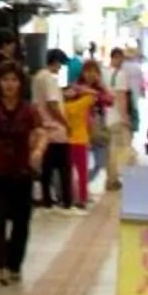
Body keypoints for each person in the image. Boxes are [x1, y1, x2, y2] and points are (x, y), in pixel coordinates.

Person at [0, 60, 50, 284]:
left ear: (20, 83)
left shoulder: (29, 111)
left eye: (14, 80)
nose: (9, 84)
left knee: (21, 222)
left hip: (22, 173)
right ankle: (2, 266)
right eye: (5, 79)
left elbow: (42, 133)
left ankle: (15, 264)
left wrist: (37, 151)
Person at [60, 62, 102, 210]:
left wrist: (73, 90)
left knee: (68, 172)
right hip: (81, 140)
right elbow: (96, 95)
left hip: (67, 140)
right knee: (82, 172)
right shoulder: (84, 103)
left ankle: (70, 197)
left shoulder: (64, 106)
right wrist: (82, 90)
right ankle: (82, 198)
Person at [34, 51, 71, 208]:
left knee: (46, 169)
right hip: (55, 129)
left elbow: (36, 105)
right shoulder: (48, 78)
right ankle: (66, 201)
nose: (60, 68)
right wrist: (65, 123)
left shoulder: (38, 77)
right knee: (64, 169)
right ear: (55, 62)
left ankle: (47, 200)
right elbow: (52, 104)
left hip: (44, 128)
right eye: (60, 64)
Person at [104, 46, 139, 191]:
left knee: (111, 150)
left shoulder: (103, 72)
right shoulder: (120, 75)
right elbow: (121, 98)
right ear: (117, 58)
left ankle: (111, 180)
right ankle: (115, 178)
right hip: (117, 118)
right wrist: (125, 118)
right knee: (122, 150)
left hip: (105, 117)